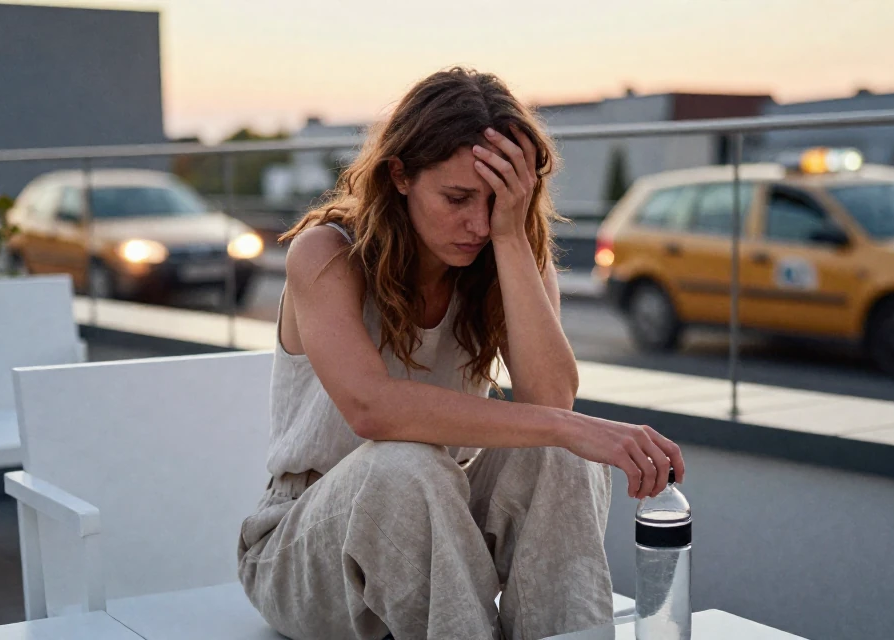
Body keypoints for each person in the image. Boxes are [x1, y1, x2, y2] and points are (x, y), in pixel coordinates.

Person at [237, 67, 686, 640]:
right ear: (399, 175)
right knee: (407, 464)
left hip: (435, 514)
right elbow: (372, 410)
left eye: (496, 200)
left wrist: (510, 238)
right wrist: (565, 427)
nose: (477, 222)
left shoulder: (505, 252)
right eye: (457, 198)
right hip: (307, 549)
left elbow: (552, 400)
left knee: (564, 455)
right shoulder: (327, 254)